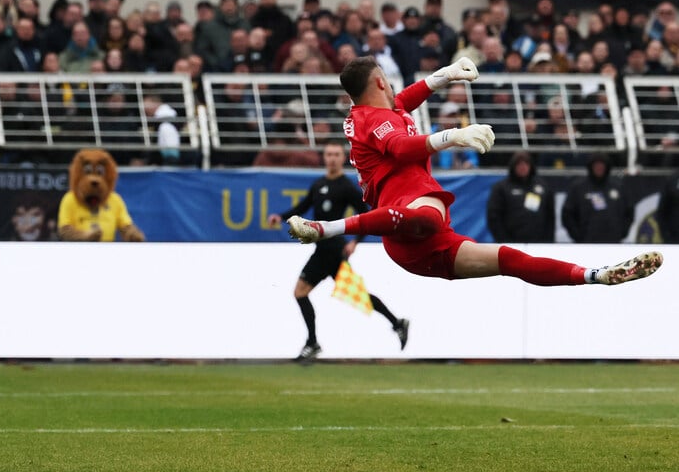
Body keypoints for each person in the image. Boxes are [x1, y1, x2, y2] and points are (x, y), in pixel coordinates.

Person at [286, 55, 662, 288]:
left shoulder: (378, 111)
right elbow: (400, 147)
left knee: (510, 260)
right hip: (409, 213)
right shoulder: (376, 119)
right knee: (430, 214)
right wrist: (455, 135)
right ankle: (326, 228)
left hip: (424, 249)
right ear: (380, 82)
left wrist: (444, 75)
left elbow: (404, 101)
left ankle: (595, 275)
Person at [268, 141, 409, 360]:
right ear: (324, 158)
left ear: (342, 158)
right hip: (330, 250)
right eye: (328, 154)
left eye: (336, 154)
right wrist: (281, 216)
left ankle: (312, 343)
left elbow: (366, 216)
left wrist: (355, 242)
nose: (332, 158)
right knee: (358, 294)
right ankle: (396, 322)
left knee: (300, 292)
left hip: (331, 249)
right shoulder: (319, 184)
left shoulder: (346, 187)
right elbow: (302, 208)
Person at [561, 152, 634, 243]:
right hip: (585, 243)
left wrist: (622, 232)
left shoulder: (618, 187)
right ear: (591, 167)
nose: (599, 168)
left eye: (602, 165)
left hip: (613, 242)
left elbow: (629, 212)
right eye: (596, 165)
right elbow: (567, 214)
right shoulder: (579, 187)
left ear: (607, 167)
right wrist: (577, 235)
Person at [486, 150, 555, 243]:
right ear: (513, 166)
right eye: (519, 164)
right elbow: (493, 216)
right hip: (510, 243)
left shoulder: (543, 186)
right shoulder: (501, 188)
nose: (523, 167)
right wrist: (504, 240)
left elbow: (550, 216)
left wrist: (548, 241)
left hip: (539, 243)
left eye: (526, 164)